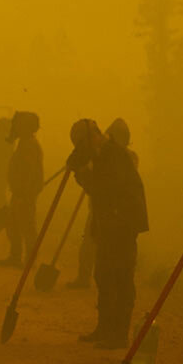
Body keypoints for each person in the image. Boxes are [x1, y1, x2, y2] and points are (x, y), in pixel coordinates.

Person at [68, 118, 148, 349]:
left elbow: (103, 189)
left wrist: (82, 173)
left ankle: (119, 334)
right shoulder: (103, 154)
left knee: (121, 278)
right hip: (108, 225)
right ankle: (104, 328)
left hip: (122, 226)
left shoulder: (115, 155)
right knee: (103, 275)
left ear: (94, 136)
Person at [0, 111, 43, 268]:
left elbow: (30, 172)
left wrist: (23, 194)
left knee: (27, 227)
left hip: (24, 194)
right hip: (19, 192)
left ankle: (29, 260)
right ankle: (15, 256)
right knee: (13, 225)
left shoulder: (29, 145)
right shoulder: (25, 142)